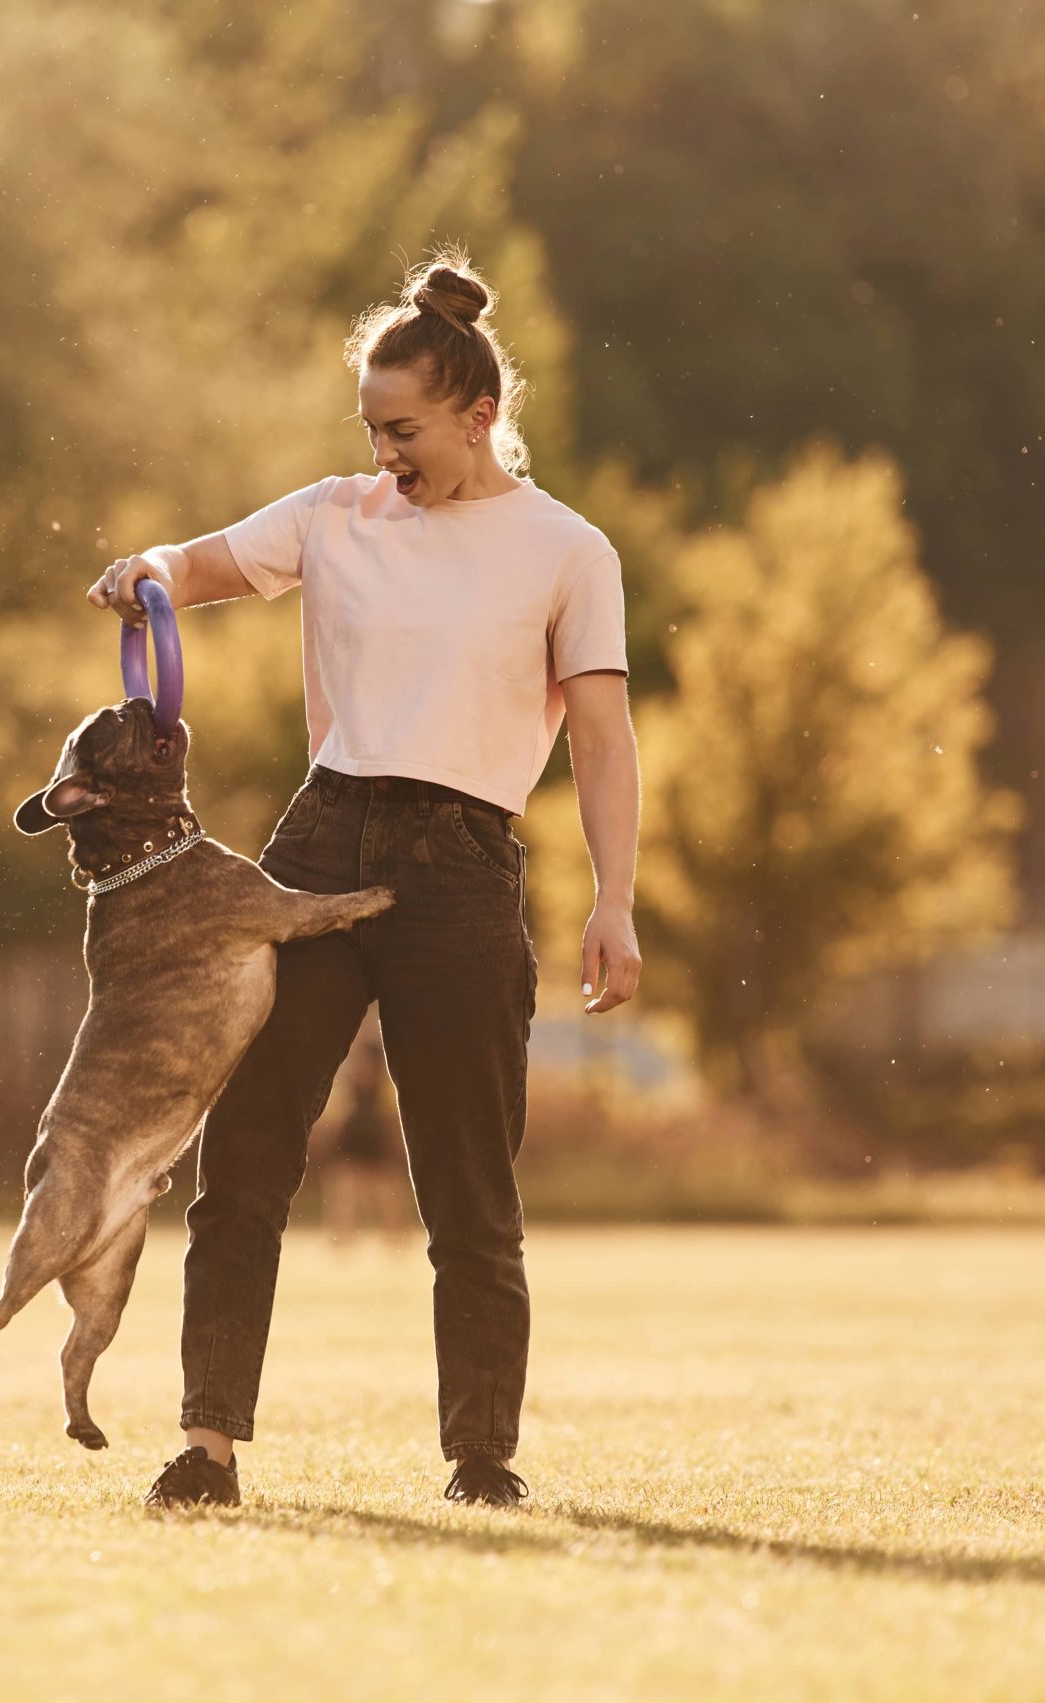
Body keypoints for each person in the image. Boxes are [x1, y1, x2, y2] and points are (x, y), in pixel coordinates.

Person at [86, 248, 641, 1510]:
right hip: (318, 849)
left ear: (479, 414)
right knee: (246, 1156)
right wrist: (150, 571)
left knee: (466, 1183)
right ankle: (208, 1444)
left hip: (461, 865)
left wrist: (613, 898)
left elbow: (603, 739)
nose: (388, 453)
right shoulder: (334, 513)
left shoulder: (567, 551)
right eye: (372, 429)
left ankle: (480, 1458)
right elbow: (206, 561)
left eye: (408, 430)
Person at [318, 1019, 409, 1247]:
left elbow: (390, 1101)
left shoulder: (379, 1057)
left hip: (374, 1131)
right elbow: (340, 1100)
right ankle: (343, 1236)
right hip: (354, 1132)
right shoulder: (346, 1060)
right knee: (344, 1184)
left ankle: (396, 1236)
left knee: (386, 1185)